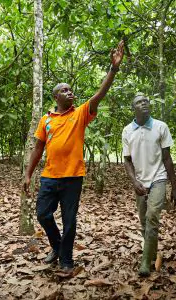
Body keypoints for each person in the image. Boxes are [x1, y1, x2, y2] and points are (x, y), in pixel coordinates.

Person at [23, 41, 124, 273]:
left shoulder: (79, 114)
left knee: (69, 221)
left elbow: (99, 95)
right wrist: (28, 175)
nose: (70, 92)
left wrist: (114, 69)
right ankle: (56, 247)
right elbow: (38, 148)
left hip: (73, 177)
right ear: (56, 97)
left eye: (71, 89)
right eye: (65, 90)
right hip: (49, 177)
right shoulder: (46, 119)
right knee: (43, 215)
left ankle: (66, 259)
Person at [122, 93, 176, 277]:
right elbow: (127, 160)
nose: (144, 104)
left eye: (146, 101)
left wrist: (175, 187)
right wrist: (134, 182)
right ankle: (152, 252)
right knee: (144, 221)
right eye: (139, 102)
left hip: (159, 177)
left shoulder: (161, 126)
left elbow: (167, 158)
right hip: (140, 181)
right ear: (134, 108)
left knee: (153, 215)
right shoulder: (127, 131)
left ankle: (145, 262)